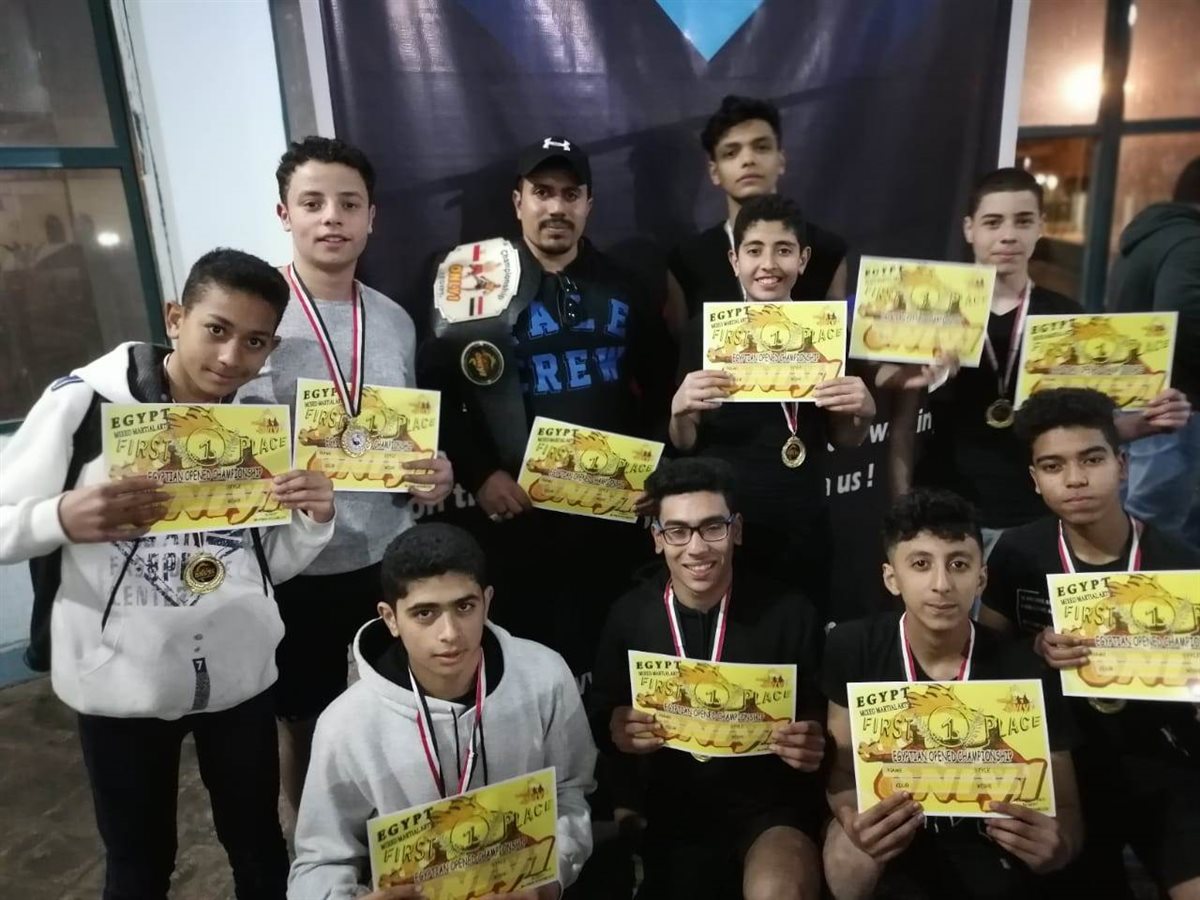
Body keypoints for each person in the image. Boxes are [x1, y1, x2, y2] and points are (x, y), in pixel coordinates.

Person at [0, 248, 337, 900]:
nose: (231, 357)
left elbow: (262, 566)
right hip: (119, 683)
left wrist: (314, 520)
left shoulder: (256, 426)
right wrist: (59, 516)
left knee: (258, 846)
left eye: (255, 341)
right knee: (139, 861)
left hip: (237, 678)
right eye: (217, 329)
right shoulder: (83, 406)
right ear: (176, 317)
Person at [238, 136, 456, 818]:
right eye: (313, 203)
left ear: (371, 218)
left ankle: (396, 838)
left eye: (348, 204)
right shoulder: (256, 317)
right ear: (284, 214)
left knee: (399, 708)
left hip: (386, 557)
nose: (331, 217)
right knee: (304, 720)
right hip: (293, 564)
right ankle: (314, 847)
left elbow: (408, 435)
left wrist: (434, 474)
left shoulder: (393, 319)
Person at [421, 135, 669, 679]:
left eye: (571, 194)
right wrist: (480, 473)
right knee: (530, 661)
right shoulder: (472, 287)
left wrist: (654, 472)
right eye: (542, 192)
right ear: (518, 202)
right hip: (519, 514)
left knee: (616, 656)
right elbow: (436, 393)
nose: (557, 207)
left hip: (612, 512)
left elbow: (662, 388)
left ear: (588, 205)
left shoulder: (626, 284)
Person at [889, 167, 1190, 554]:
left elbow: (1086, 428)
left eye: (1023, 221)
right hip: (947, 512)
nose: (1008, 235)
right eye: (993, 222)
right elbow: (902, 427)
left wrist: (1144, 424)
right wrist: (903, 514)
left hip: (1038, 516)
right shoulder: (934, 309)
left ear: (1041, 227)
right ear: (969, 229)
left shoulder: (1068, 318)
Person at [288, 523, 596, 900]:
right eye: (424, 613)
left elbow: (569, 792)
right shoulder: (345, 725)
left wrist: (545, 883)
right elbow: (320, 861)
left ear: (487, 602)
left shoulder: (545, 676)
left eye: (464, 607)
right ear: (390, 618)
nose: (449, 632)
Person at [979, 387, 1200, 900]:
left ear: (1122, 466)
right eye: (1053, 466)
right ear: (1034, 479)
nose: (1075, 479)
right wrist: (1034, 650)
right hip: (1065, 770)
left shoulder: (1181, 564)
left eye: (1092, 459)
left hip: (1163, 764)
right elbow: (986, 662)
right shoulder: (1017, 554)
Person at [821, 488, 1083, 899]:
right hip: (899, 835)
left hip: (991, 841)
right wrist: (853, 817)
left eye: (958, 564)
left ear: (981, 578)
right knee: (848, 856)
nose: (941, 584)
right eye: (920, 564)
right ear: (892, 578)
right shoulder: (853, 647)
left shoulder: (1025, 667)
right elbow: (841, 771)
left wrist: (1058, 845)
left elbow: (1066, 809)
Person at [587, 457, 827, 900]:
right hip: (673, 815)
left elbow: (822, 714)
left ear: (737, 530)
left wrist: (814, 739)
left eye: (712, 527)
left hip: (770, 811)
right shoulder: (629, 616)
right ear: (657, 538)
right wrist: (616, 727)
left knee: (778, 891)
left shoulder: (791, 613)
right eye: (678, 531)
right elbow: (602, 710)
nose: (696, 548)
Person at [669, 194, 875, 614]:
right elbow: (685, 442)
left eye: (783, 250)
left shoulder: (827, 334)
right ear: (734, 260)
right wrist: (679, 411)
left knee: (803, 632)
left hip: (803, 519)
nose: (768, 264)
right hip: (728, 521)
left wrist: (864, 414)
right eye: (754, 250)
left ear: (803, 259)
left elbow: (845, 438)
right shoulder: (703, 333)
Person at [666, 95, 848, 335]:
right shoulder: (687, 260)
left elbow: (839, 343)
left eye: (761, 147)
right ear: (714, 171)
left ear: (781, 159)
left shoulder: (827, 250)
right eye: (731, 153)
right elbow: (680, 345)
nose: (748, 160)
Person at [1108, 156, 1200, 546]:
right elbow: (1187, 315)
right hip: (1176, 412)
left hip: (1139, 407)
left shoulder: (1147, 238)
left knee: (1132, 529)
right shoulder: (1190, 242)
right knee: (1163, 540)